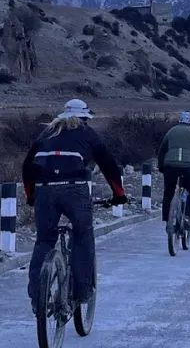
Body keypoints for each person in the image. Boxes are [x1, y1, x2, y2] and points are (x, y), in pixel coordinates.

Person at [21, 98, 127, 313]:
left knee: (44, 240)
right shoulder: (87, 133)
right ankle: (82, 291)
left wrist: (31, 195)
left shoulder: (46, 133)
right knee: (82, 235)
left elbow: (27, 166)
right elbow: (107, 164)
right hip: (75, 189)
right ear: (84, 118)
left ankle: (37, 297)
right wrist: (118, 194)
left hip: (44, 190)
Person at [157, 111, 190, 246]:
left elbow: (162, 150)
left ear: (179, 120)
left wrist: (161, 166)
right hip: (188, 166)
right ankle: (187, 215)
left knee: (168, 192)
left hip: (170, 166)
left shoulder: (171, 131)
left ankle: (166, 219)